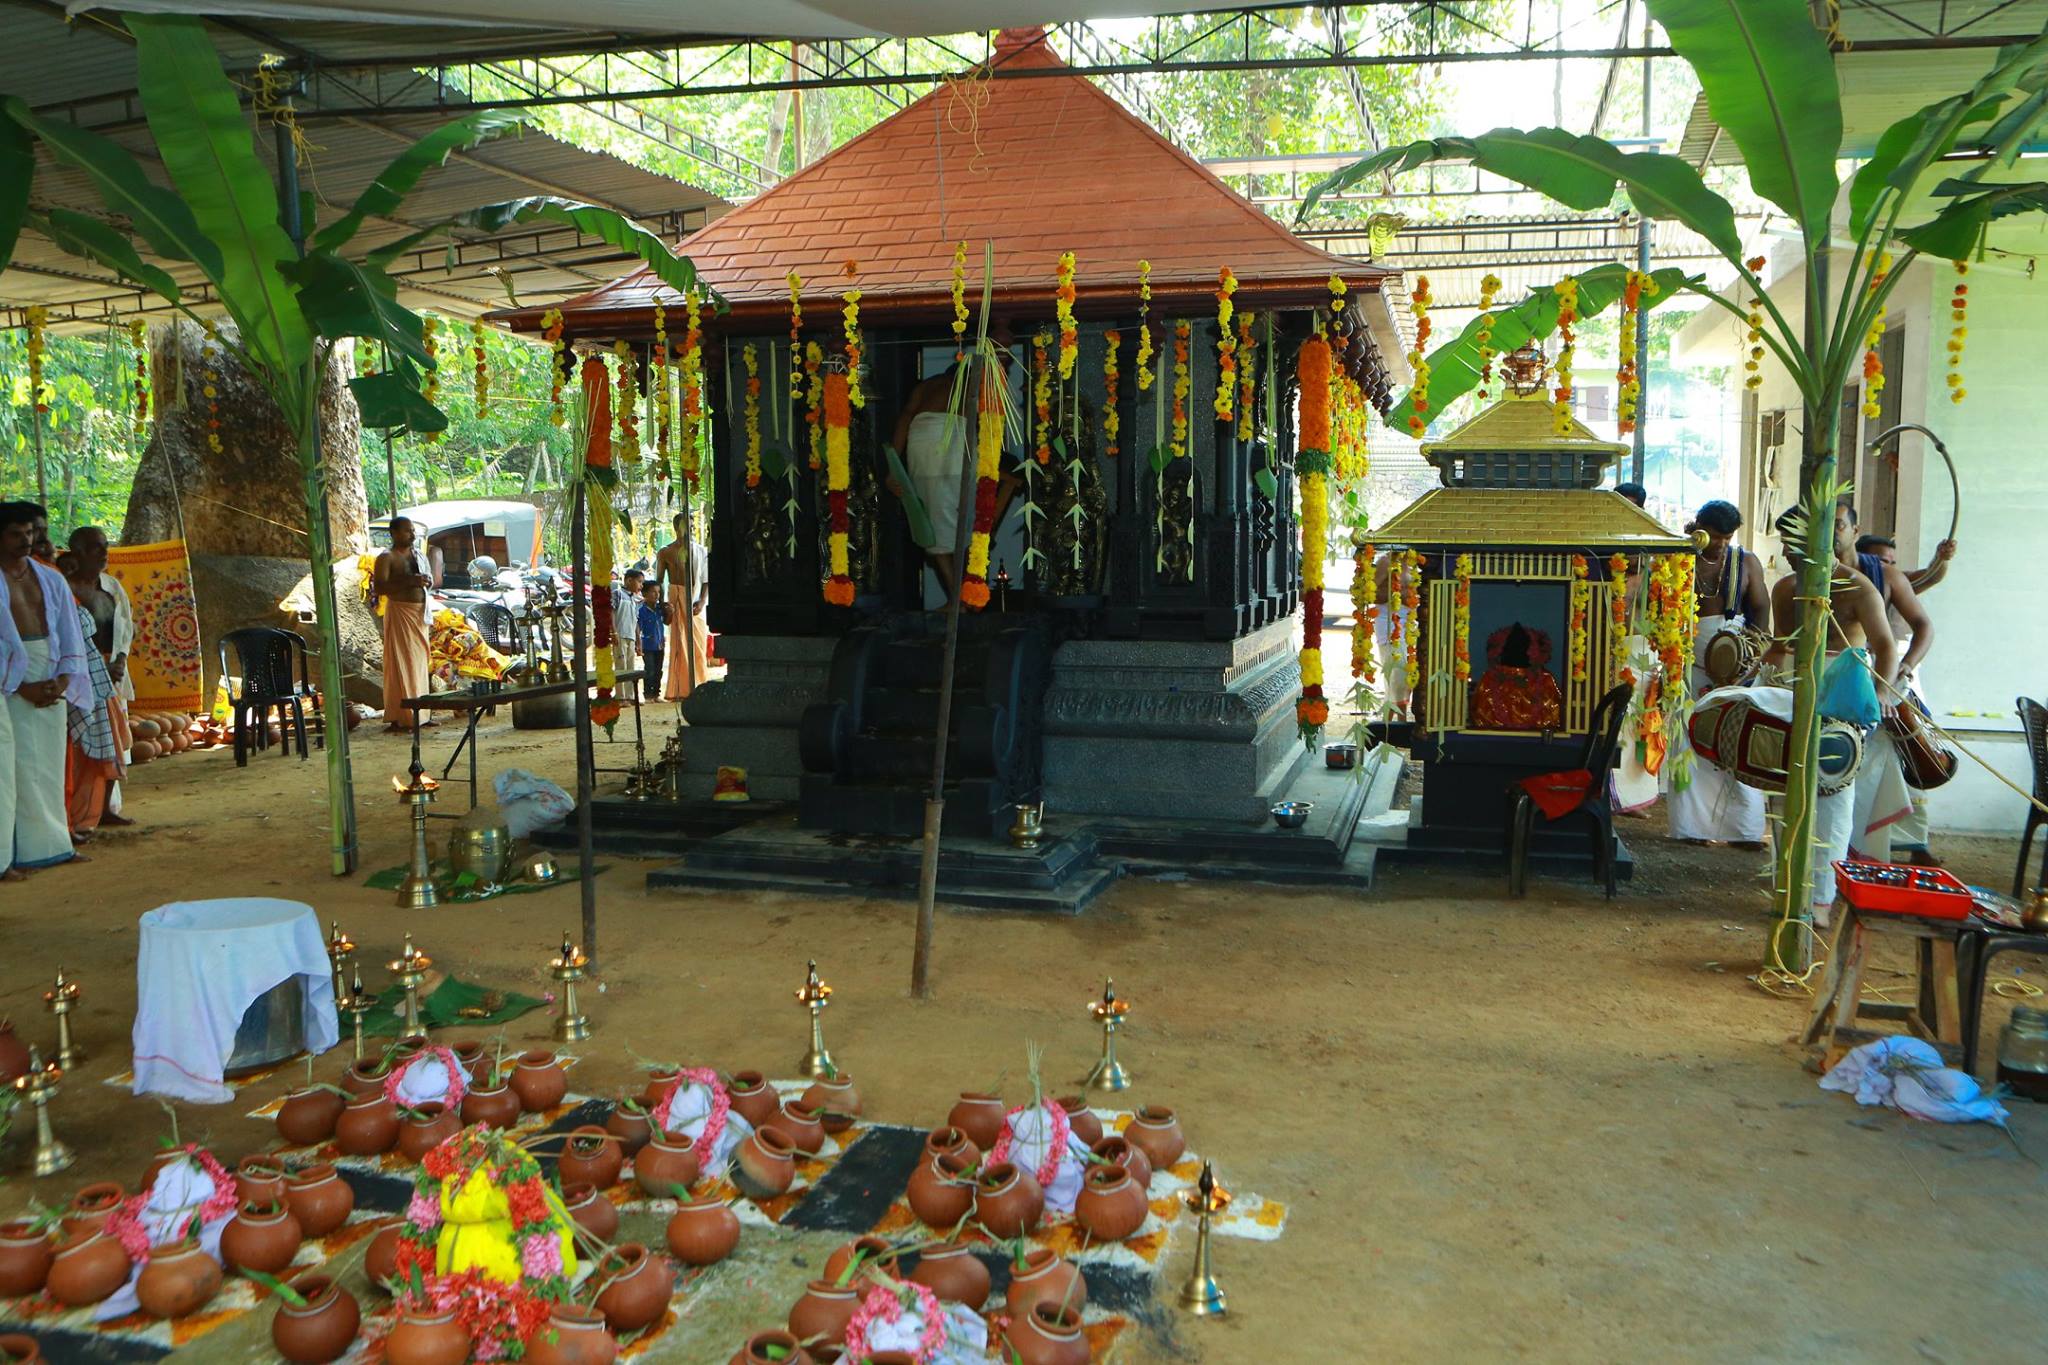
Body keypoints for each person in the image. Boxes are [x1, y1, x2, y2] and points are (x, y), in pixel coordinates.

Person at [1767, 503, 1900, 927]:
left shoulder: (1860, 589)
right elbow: (1781, 646)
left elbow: (1886, 647)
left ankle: (1821, 900)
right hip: (1795, 692)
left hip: (1843, 697)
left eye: (1796, 541)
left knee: (1833, 794)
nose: (1789, 550)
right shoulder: (1787, 588)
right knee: (1782, 789)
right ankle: (1788, 890)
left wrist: (1881, 692)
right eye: (1786, 541)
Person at [1669, 500, 1773, 850]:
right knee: (1692, 741)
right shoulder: (1678, 555)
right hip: (1688, 662)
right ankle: (1692, 827)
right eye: (1714, 537)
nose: (1720, 545)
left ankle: (1743, 831)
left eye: (1726, 538)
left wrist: (1750, 658)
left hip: (1736, 665)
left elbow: (1760, 608)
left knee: (1739, 740)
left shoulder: (1746, 562)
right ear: (1697, 526)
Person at [0, 502, 92, 878]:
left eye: (30, 533)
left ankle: (54, 845)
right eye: (16, 534)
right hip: (9, 681)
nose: (26, 540)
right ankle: (8, 856)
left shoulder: (50, 577)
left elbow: (69, 633)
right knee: (10, 768)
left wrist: (65, 679)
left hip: (50, 669)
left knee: (51, 765)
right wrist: (22, 686)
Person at [1848, 531, 1942, 865]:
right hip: (1848, 676)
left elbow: (1924, 624)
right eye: (1879, 559)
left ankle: (1912, 844)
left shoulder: (1889, 578)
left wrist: (1904, 667)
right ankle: (1855, 846)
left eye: (1890, 561)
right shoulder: (1830, 576)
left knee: (1905, 753)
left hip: (1888, 680)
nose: (1885, 565)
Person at [62, 533, 134, 836]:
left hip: (111, 676)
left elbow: (126, 627)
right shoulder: (64, 588)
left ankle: (104, 809)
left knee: (116, 741)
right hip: (79, 676)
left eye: (106, 547)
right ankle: (79, 812)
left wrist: (119, 660)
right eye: (97, 548)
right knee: (80, 748)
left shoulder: (112, 587)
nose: (105, 553)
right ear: (77, 553)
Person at [372, 516, 441, 729]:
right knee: (402, 663)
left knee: (420, 664)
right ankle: (402, 716)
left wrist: (426, 581)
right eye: (407, 531)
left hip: (419, 614)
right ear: (393, 533)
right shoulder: (387, 557)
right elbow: (380, 588)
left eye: (412, 531)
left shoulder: (417, 554)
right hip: (401, 613)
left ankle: (422, 714)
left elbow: (431, 580)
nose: (412, 535)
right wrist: (410, 581)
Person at [655, 512, 710, 702]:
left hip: (694, 602)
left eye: (693, 527)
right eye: (687, 526)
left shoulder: (701, 551)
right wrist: (664, 605)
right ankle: (680, 688)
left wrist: (702, 602)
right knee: (678, 644)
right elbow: (659, 581)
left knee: (697, 646)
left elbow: (706, 581)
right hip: (675, 601)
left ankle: (699, 686)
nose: (691, 530)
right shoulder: (665, 552)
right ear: (676, 528)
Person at [637, 580, 669, 701]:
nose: (656, 595)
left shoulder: (659, 609)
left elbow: (667, 622)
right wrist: (638, 643)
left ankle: (656, 693)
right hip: (647, 644)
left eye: (658, 592)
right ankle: (648, 694)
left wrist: (670, 612)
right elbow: (638, 627)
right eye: (653, 592)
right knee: (649, 669)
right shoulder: (641, 610)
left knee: (658, 670)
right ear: (645, 593)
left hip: (660, 644)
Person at [613, 568, 643, 682]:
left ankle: (630, 696)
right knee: (621, 666)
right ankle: (622, 696)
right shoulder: (618, 594)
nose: (641, 586)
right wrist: (614, 632)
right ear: (629, 580)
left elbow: (635, 621)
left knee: (630, 668)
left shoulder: (634, 599)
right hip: (620, 635)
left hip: (631, 636)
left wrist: (638, 641)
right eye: (639, 582)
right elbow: (611, 612)